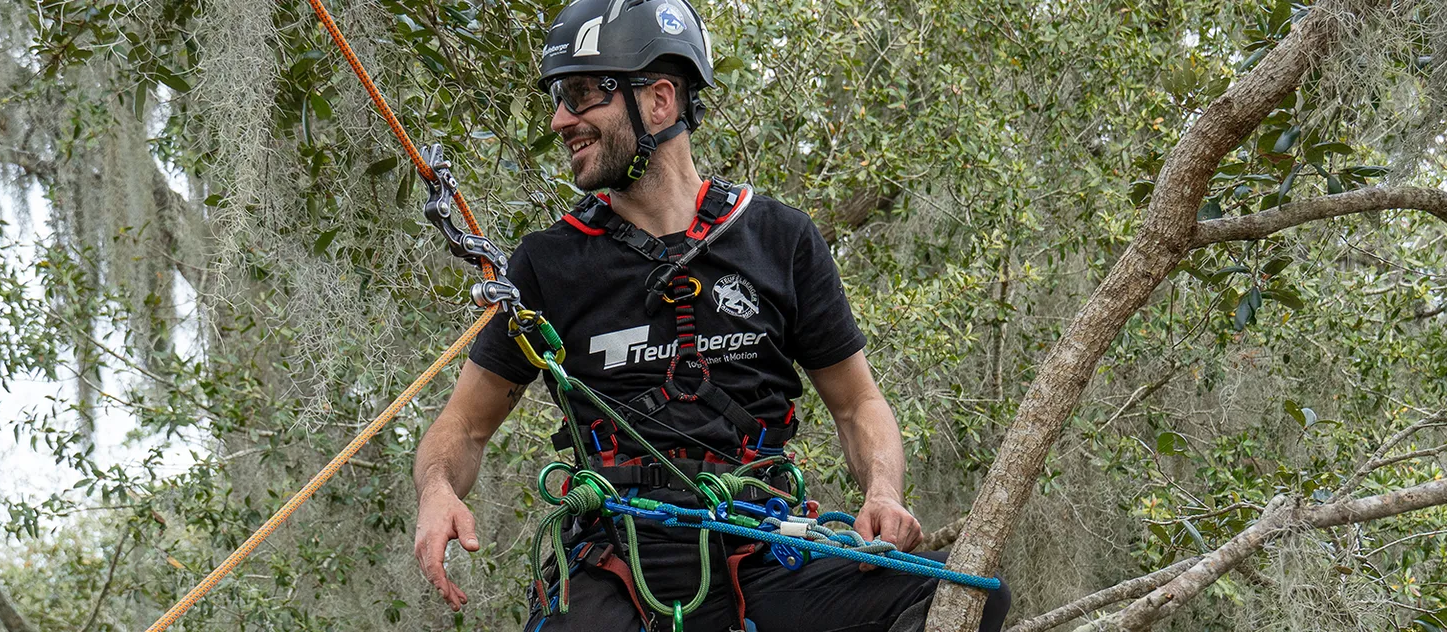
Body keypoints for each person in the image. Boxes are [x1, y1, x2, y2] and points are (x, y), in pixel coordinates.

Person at [410, 0, 1009, 629]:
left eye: (584, 94)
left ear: (660, 100)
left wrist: (882, 491)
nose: (561, 119)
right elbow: (464, 426)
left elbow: (859, 405)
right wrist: (438, 490)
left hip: (764, 548)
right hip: (616, 561)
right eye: (559, 97)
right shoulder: (547, 265)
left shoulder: (780, 239)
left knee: (968, 598)